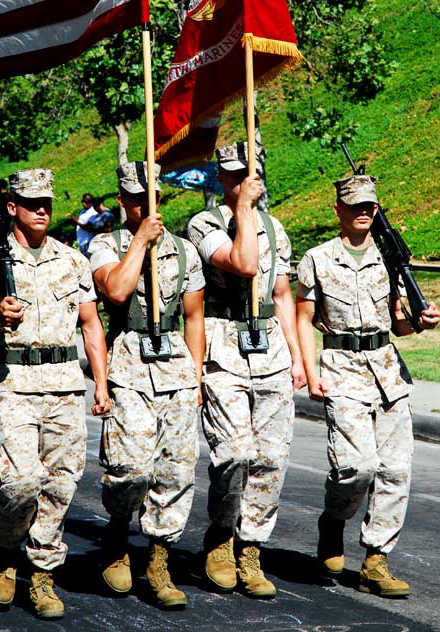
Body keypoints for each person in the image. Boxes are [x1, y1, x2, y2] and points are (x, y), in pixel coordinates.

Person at [0, 168, 111, 619]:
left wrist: (100, 384)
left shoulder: (73, 260)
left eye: (47, 202)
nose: (42, 210)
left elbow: (91, 324)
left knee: (61, 483)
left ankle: (44, 573)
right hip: (16, 385)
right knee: (19, 481)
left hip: (66, 384)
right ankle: (7, 552)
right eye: (32, 204)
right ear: (13, 208)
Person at [295, 174, 440, 598]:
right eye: (355, 205)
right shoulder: (318, 259)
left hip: (388, 372)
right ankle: (334, 520)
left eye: (370, 206)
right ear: (337, 209)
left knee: (396, 469)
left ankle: (376, 560)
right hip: (341, 370)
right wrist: (310, 370)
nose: (363, 212)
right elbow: (304, 319)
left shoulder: (389, 259)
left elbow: (398, 322)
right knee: (356, 466)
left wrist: (418, 322)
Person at [187, 141, 306, 599]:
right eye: (234, 175)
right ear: (222, 178)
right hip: (224, 345)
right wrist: (242, 209)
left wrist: (295, 355)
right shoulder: (205, 223)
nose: (243, 181)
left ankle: (251, 546)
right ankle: (221, 534)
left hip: (270, 348)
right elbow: (244, 263)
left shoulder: (276, 228)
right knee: (233, 452)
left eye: (249, 174)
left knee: (270, 458)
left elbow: (280, 296)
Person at [87, 161, 205, 609]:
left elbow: (193, 317)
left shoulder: (185, 251)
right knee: (130, 467)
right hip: (128, 363)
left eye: (151, 197)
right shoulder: (105, 245)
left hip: (174, 364)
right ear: (123, 201)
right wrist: (139, 242)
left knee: (175, 470)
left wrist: (195, 377)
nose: (145, 205)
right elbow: (115, 291)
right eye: (137, 198)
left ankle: (158, 559)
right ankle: (118, 531)